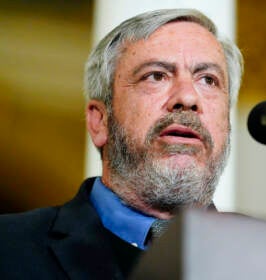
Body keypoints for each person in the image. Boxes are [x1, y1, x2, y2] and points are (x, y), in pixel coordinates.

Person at [0, 8, 243, 279]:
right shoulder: (7, 247)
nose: (187, 97)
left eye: (209, 80)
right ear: (100, 122)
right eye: (156, 75)